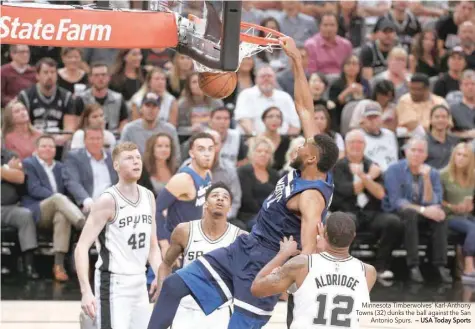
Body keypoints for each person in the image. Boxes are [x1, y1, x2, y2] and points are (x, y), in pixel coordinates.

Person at [147, 36, 339, 329]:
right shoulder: (312, 164)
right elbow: (305, 109)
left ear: (312, 160)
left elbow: (309, 251)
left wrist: (288, 279)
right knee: (173, 287)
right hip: (246, 246)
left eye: (303, 149)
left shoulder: (312, 196)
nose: (298, 147)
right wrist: (297, 61)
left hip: (266, 264)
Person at [75, 142, 162, 329]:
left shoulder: (148, 197)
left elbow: (152, 245)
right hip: (113, 284)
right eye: (129, 158)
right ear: (116, 166)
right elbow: (81, 247)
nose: (136, 162)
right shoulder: (107, 200)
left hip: (139, 282)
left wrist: (159, 274)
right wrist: (86, 291)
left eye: (138, 157)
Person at [251, 212, 377, 329]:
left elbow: (257, 288)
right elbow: (334, 289)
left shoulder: (301, 264)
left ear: (324, 234)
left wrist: (283, 254)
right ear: (354, 236)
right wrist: (323, 252)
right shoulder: (368, 272)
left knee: (293, 296)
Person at [153, 183, 245, 329]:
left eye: (225, 197)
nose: (220, 199)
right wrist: (161, 293)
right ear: (205, 203)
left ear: (230, 207)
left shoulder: (240, 237)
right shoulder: (185, 230)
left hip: (219, 312)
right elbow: (166, 265)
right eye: (215, 196)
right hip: (185, 309)